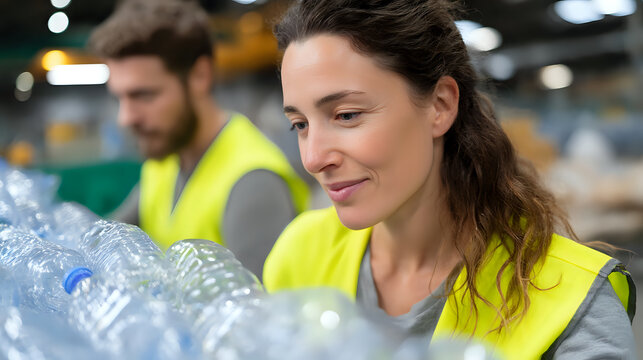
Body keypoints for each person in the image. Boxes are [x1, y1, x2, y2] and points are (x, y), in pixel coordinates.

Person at [262, 0, 636, 358]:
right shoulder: (298, 254)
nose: (313, 158)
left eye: (346, 115)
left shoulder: (569, 300)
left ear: (440, 105)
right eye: (300, 124)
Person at [89, 0, 309, 279]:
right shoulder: (165, 159)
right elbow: (108, 236)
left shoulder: (253, 181)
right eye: (119, 97)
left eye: (143, 95)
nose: (126, 117)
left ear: (199, 75)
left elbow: (257, 317)